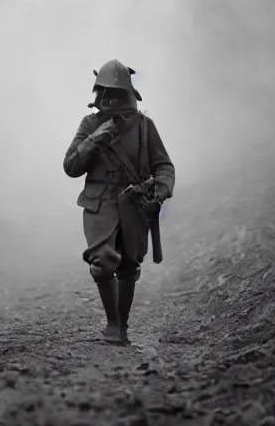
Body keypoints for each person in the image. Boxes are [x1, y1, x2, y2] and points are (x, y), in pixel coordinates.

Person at [62, 59, 176, 345]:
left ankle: (122, 325)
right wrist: (95, 140)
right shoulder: (89, 123)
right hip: (99, 202)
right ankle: (112, 323)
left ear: (127, 93)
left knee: (128, 267)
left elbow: (164, 166)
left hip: (134, 204)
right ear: (97, 94)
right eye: (105, 93)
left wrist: (161, 189)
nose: (109, 99)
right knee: (102, 263)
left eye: (116, 93)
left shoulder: (143, 126)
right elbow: (70, 166)